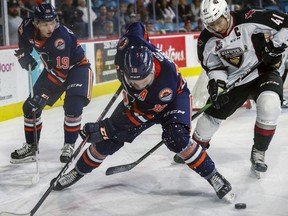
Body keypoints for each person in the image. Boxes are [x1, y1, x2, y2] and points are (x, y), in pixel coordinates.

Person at [52, 22, 235, 202]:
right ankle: (77, 171)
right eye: (134, 80)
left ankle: (213, 176)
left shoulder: (165, 83)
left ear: (151, 69)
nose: (139, 85)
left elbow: (137, 117)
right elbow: (137, 26)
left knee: (176, 137)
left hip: (173, 99)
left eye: (144, 79)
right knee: (108, 142)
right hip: (138, 102)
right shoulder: (127, 44)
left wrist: (103, 128)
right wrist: (143, 42)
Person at [173, 0, 288, 177]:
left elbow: (285, 22)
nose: (216, 27)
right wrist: (217, 87)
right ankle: (194, 149)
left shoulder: (250, 18)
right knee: (209, 119)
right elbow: (215, 68)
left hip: (262, 71)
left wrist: (274, 46)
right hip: (234, 80)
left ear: (226, 13)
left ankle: (258, 152)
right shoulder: (206, 41)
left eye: (219, 21)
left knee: (270, 105)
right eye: (211, 24)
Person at [10, 3, 93, 164]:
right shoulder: (26, 26)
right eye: (44, 24)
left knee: (73, 106)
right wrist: (23, 54)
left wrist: (43, 94)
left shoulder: (60, 37)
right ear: (36, 23)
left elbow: (62, 74)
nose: (49, 27)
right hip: (53, 70)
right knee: (30, 107)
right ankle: (31, 146)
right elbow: (23, 39)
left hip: (77, 69)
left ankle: (69, 144)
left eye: (52, 23)